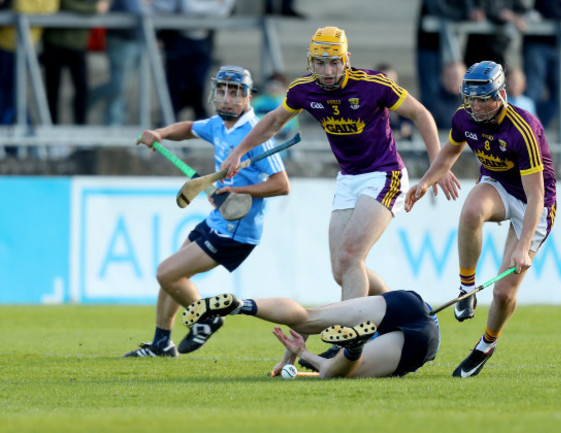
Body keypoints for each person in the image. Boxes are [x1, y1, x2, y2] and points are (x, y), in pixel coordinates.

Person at [220, 26, 460, 304]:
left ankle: (350, 338)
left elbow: (421, 113)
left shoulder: (373, 84)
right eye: (320, 63)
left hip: (384, 174)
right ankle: (401, 310)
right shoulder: (303, 90)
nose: (328, 71)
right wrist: (239, 152)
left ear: (346, 59)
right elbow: (273, 121)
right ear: (311, 62)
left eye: (334, 62)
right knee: (341, 270)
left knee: (350, 257)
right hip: (348, 178)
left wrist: (438, 166)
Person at [124, 66, 290, 357]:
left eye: (235, 92)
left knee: (166, 273)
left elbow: (281, 185)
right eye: (223, 90)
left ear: (249, 97)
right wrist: (160, 133)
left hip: (237, 229)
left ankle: (208, 318)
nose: (227, 98)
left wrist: (238, 191)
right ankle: (161, 343)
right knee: (172, 273)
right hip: (217, 219)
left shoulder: (256, 134)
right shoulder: (218, 125)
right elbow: (189, 128)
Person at [405, 61, 557, 378]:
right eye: (469, 98)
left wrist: (523, 246)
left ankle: (486, 344)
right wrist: (426, 181)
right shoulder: (464, 117)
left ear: (500, 94)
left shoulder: (522, 129)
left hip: (533, 202)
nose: (474, 106)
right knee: (471, 210)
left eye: (481, 99)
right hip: (498, 185)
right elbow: (449, 153)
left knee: (503, 293)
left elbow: (536, 196)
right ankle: (467, 290)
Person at [182, 289, 440, 378]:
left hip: (408, 301)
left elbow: (303, 332)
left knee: (307, 319)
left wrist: (292, 358)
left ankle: (243, 305)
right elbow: (324, 369)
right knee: (332, 369)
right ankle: (354, 346)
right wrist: (298, 357)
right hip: (425, 336)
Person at [0, 0, 59, 156]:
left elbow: (47, 8)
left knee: (12, 95)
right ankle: (18, 142)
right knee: (10, 94)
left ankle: (21, 142)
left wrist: (15, 5)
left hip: (20, 44)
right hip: (4, 42)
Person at [42, 0, 110, 125]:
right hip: (55, 42)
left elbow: (103, 5)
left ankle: (81, 127)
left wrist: (95, 7)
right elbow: (66, 4)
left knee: (81, 88)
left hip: (78, 44)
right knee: (53, 89)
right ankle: (52, 129)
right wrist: (94, 9)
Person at [87, 0, 151, 126]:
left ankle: (114, 123)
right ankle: (87, 99)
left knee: (124, 86)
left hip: (137, 39)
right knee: (119, 85)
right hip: (121, 39)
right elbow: (136, 11)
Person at [415, 0, 472, 116]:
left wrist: (469, 11)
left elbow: (467, 6)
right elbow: (438, 9)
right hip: (429, 46)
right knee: (431, 96)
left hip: (445, 44)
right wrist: (464, 14)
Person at [463, 0, 529, 69]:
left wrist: (515, 16)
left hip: (501, 48)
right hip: (478, 46)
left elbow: (523, 11)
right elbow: (474, 11)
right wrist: (500, 15)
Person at [251, 71, 299, 141]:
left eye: (277, 86)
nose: (273, 89)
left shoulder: (289, 103)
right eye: (271, 85)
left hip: (282, 138)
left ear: (284, 88)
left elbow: (291, 126)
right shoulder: (257, 102)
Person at [374, 63, 413, 140]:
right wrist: (399, 128)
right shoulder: (372, 103)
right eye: (389, 83)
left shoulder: (400, 100)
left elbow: (410, 120)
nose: (393, 87)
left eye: (394, 82)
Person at [429, 60, 466, 131]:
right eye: (449, 78)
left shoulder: (474, 104)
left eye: (456, 77)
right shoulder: (433, 106)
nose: (452, 81)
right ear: (442, 78)